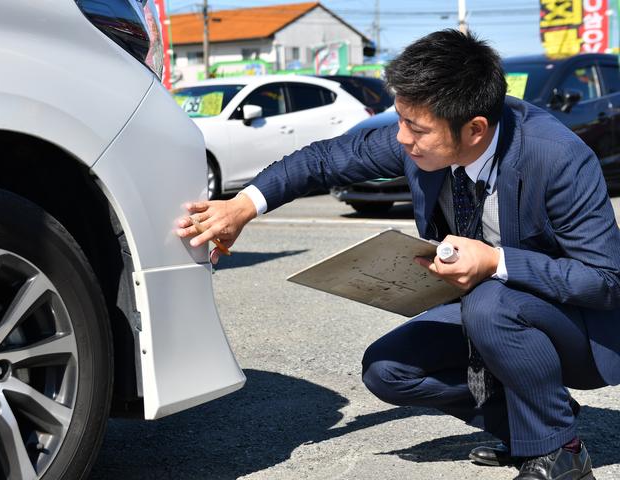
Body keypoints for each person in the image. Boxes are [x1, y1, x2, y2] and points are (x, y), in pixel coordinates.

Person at [176, 29, 620, 480]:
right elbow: (323, 160)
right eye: (401, 120)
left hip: (576, 328)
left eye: (416, 128)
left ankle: (561, 453)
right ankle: (532, 426)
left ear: (475, 129)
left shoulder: (557, 156)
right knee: (387, 370)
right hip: (492, 312)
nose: (402, 138)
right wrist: (241, 207)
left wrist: (494, 262)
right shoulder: (418, 139)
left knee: (490, 301)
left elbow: (605, 279)